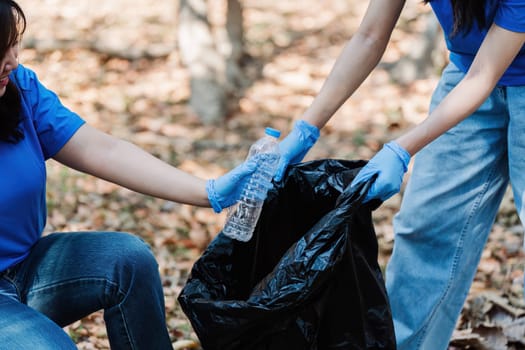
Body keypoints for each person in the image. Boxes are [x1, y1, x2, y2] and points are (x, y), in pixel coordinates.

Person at [0, 1, 260, 349]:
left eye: (13, 43)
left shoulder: (20, 88)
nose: (13, 60)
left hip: (25, 271)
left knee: (128, 260)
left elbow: (102, 150)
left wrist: (208, 191)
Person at [275, 0, 525, 349]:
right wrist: (304, 130)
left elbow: (486, 74)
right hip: (466, 73)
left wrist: (402, 148)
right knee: (425, 228)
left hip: (484, 74)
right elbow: (369, 35)